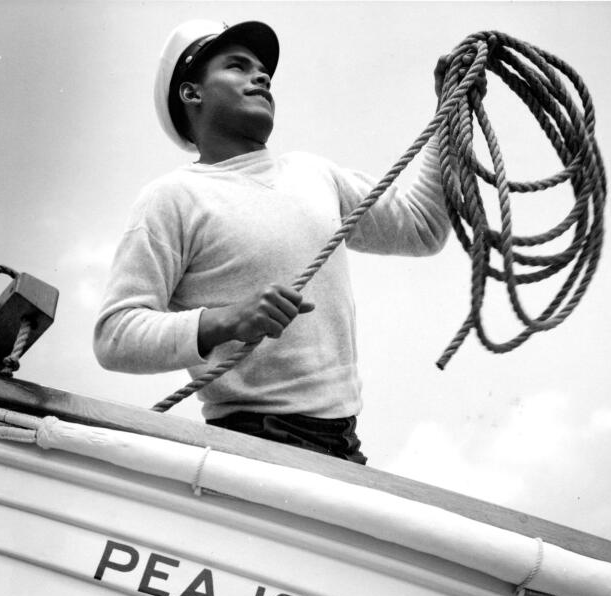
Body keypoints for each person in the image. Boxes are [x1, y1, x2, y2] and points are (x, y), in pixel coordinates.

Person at [94, 19, 451, 464]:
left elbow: (423, 227)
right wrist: (227, 320)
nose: (260, 77)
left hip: (343, 447)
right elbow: (115, 336)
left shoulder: (316, 174)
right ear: (192, 93)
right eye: (238, 67)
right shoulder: (173, 198)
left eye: (262, 71)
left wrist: (449, 116)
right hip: (250, 446)